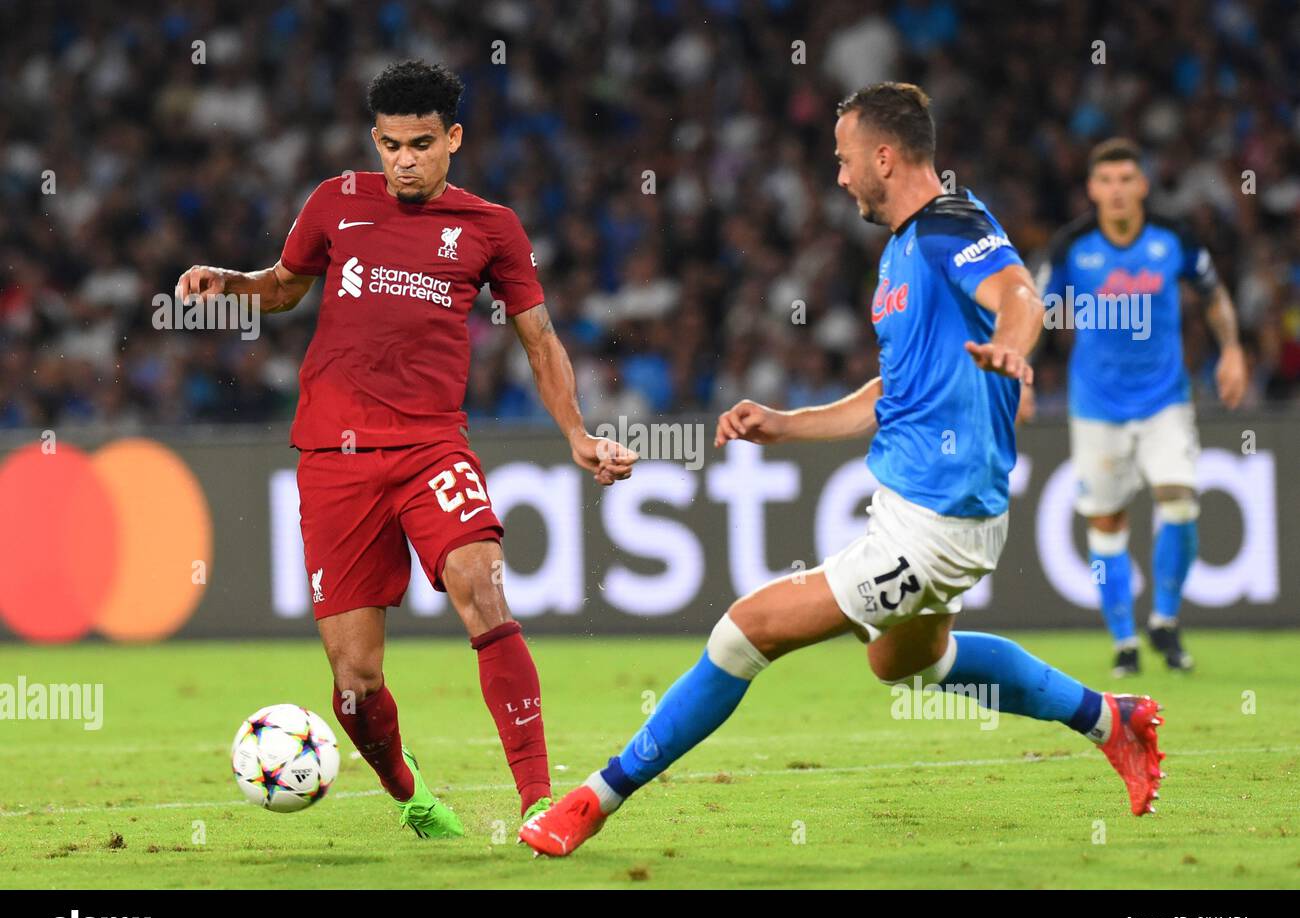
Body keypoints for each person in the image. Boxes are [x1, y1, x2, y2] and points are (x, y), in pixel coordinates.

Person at [520, 83, 1164, 858]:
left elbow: (1019, 296)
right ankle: (1111, 719)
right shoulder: (900, 252)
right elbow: (891, 392)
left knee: (743, 633)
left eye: (844, 158)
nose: (838, 176)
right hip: (923, 507)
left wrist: (1015, 348)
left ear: (884, 156)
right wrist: (789, 426)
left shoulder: (948, 226)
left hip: (937, 522)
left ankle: (594, 799)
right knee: (908, 660)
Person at [175, 60, 636, 839]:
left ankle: (536, 800)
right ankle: (407, 790)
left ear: (453, 138)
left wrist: (577, 435)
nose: (404, 161)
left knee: (481, 588)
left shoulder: (492, 228)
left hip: (430, 447)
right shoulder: (335, 201)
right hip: (332, 457)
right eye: (390, 145)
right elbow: (287, 285)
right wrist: (232, 281)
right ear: (375, 141)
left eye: (421, 143)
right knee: (355, 683)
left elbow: (541, 339)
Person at [1036, 138, 1246, 676]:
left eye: (1128, 179)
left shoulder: (1172, 238)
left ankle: (1166, 622)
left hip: (1165, 400)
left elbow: (1214, 294)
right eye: (1107, 181)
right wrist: (1021, 373)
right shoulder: (1071, 246)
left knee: (1179, 498)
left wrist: (1232, 351)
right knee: (1107, 522)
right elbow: (1036, 310)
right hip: (1096, 406)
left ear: (1143, 185)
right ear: (1092, 189)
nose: (1118, 191)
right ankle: (1125, 642)